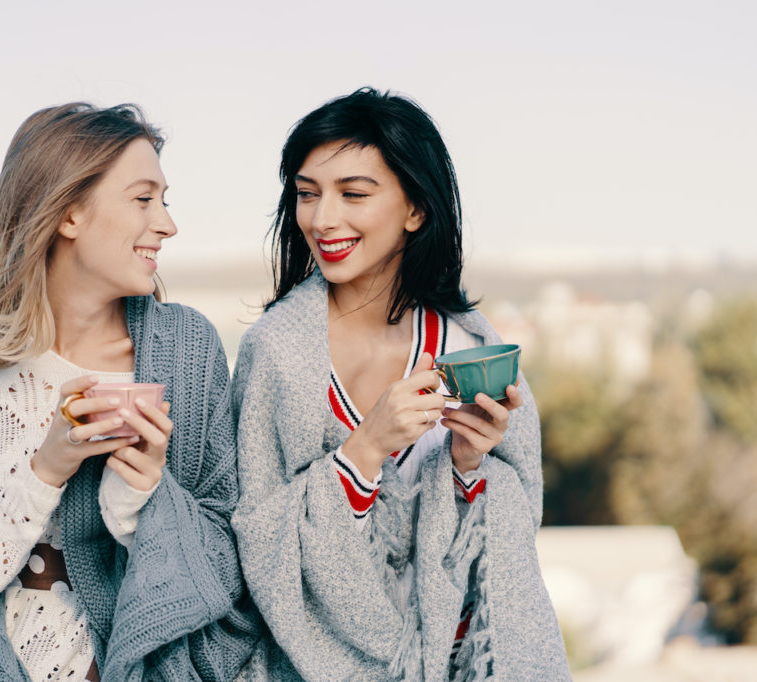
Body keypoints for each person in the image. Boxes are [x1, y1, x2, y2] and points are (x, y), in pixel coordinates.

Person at [0, 102, 259, 681]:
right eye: (144, 199)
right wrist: (46, 468)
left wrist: (145, 493)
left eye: (165, 200)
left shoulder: (188, 350)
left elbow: (229, 562)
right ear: (68, 213)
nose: (167, 224)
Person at [230, 88, 570, 681]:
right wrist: (363, 451)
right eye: (307, 195)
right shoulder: (275, 354)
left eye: (353, 194)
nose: (323, 218)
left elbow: (513, 531)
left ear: (415, 209)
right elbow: (256, 537)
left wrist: (469, 466)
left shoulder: (471, 349)